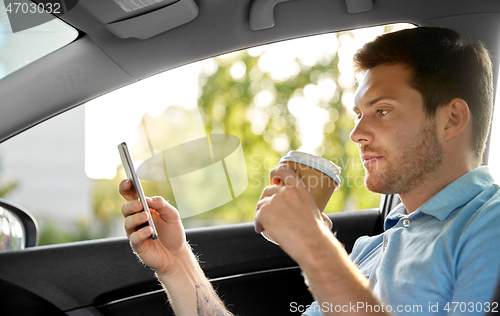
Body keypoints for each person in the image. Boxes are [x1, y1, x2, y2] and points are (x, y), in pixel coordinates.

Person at [119, 27, 500, 315]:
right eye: (358, 115)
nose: (357, 134)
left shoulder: (489, 224)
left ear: (451, 119)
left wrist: (314, 245)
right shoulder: (374, 246)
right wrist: (177, 262)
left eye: (381, 111)